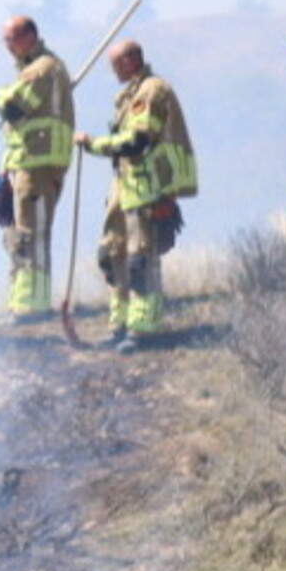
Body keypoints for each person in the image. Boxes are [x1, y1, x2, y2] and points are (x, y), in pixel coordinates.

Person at [80, 39, 197, 347]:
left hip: (149, 187)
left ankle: (144, 328)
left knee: (141, 259)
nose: (113, 71)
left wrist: (93, 144)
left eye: (115, 65)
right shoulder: (130, 95)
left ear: (130, 61)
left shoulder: (152, 91)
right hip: (125, 186)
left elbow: (137, 141)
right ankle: (120, 324)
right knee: (112, 253)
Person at [0, 15, 78, 320]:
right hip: (26, 161)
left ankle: (34, 305)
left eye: (11, 38)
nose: (7, 45)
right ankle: (21, 299)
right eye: (5, 39)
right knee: (19, 234)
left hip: (39, 163)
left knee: (32, 234)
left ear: (29, 36)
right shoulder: (34, 69)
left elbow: (13, 108)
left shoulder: (43, 68)